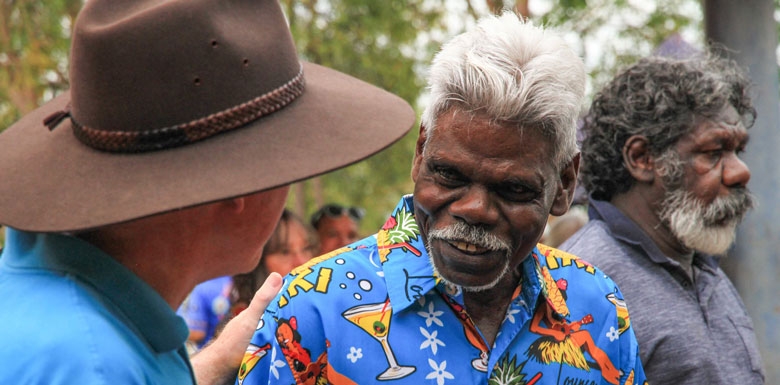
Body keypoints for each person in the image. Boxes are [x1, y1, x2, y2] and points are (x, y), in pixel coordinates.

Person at [0, 0, 415, 384]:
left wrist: (213, 361)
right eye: (292, 159)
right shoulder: (92, 364)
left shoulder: (61, 312)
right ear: (242, 190)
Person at [238, 13, 646, 385]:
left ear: (564, 184)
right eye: (450, 175)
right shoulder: (315, 308)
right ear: (420, 154)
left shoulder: (594, 305)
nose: (475, 210)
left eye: (513, 189)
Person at [560, 54, 765, 384]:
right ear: (642, 158)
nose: (741, 172)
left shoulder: (702, 268)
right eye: (714, 152)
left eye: (737, 151)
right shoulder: (581, 285)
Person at [229, 209, 318, 317]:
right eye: (285, 252)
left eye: (306, 248)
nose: (302, 262)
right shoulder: (243, 324)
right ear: (257, 261)